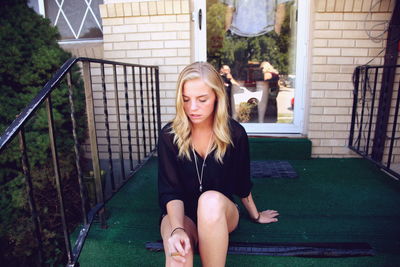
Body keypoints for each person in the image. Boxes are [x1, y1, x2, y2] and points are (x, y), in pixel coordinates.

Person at [158, 62, 279, 267]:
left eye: (202, 99)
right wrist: (177, 229)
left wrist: (256, 215)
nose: (192, 108)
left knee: (209, 201)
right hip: (181, 215)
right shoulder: (170, 135)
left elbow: (242, 183)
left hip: (219, 214)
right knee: (178, 255)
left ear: (217, 97)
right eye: (186, 100)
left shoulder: (235, 134)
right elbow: (171, 191)